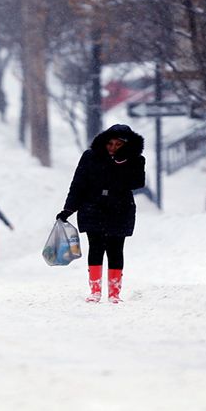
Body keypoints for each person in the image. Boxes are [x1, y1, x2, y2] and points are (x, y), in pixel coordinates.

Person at [57, 123, 146, 304]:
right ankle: (95, 290)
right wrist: (68, 209)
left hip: (120, 209)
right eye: (110, 143)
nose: (113, 148)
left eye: (118, 145)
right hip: (93, 207)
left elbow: (138, 183)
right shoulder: (90, 157)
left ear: (126, 145)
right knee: (96, 247)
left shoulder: (136, 159)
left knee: (115, 249)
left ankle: (114, 293)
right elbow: (78, 183)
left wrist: (123, 162)